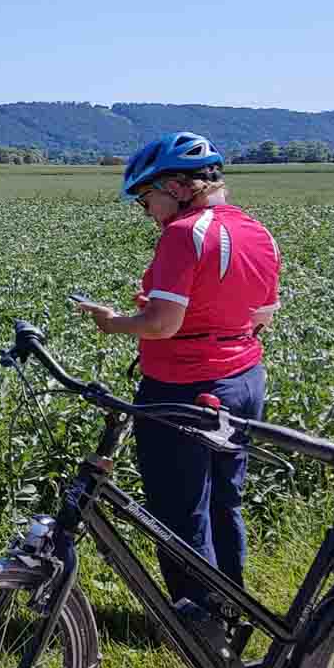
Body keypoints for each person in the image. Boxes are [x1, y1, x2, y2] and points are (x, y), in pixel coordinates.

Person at [72, 131, 281, 636]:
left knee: (179, 509)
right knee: (225, 500)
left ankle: (196, 625)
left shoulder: (185, 232)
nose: (147, 210)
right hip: (244, 380)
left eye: (147, 198)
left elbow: (163, 324)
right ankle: (234, 611)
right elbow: (263, 316)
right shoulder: (257, 230)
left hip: (184, 387)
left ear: (176, 185)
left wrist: (114, 321)